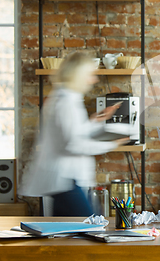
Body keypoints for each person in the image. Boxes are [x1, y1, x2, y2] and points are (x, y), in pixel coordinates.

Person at [21, 52, 129, 216]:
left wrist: (95, 120)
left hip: (68, 180)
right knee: (89, 227)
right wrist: (112, 144)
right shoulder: (66, 103)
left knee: (74, 232)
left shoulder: (67, 99)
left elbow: (74, 132)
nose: (95, 80)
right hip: (66, 180)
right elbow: (73, 144)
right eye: (90, 75)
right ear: (78, 75)